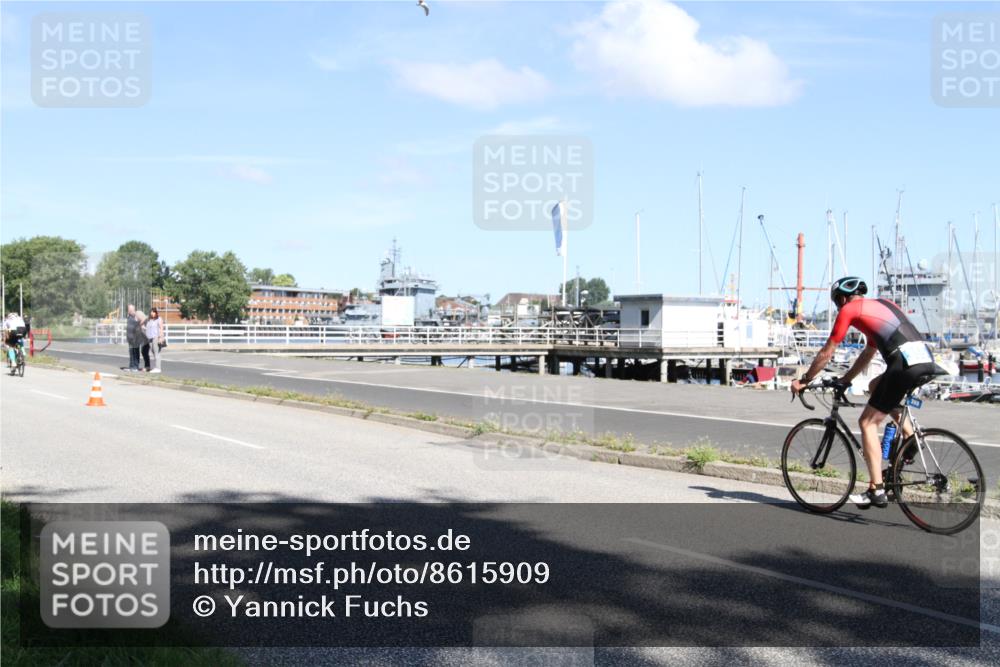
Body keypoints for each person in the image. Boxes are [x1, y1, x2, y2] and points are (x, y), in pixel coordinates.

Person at [790, 277, 942, 509]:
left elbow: (827, 352)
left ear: (841, 299)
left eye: (837, 303)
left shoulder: (849, 310)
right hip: (925, 359)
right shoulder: (882, 305)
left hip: (903, 362)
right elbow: (867, 354)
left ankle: (876, 489)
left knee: (867, 423)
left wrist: (804, 380)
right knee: (874, 387)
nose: (839, 308)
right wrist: (846, 379)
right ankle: (910, 438)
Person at [145, 307, 163, 373]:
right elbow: (147, 327)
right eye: (151, 312)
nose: (152, 313)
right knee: (153, 352)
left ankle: (158, 368)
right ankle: (156, 367)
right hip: (150, 338)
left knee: (156, 352)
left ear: (156, 312)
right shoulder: (149, 320)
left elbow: (161, 328)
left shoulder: (159, 319)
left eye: (153, 312)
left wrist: (160, 337)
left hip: (156, 337)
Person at [126, 304, 141, 372]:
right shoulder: (129, 316)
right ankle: (131, 366)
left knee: (135, 352)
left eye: (131, 310)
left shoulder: (136, 316)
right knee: (131, 352)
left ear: (134, 310)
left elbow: (140, 324)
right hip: (130, 338)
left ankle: (136, 366)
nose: (130, 311)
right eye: (129, 309)